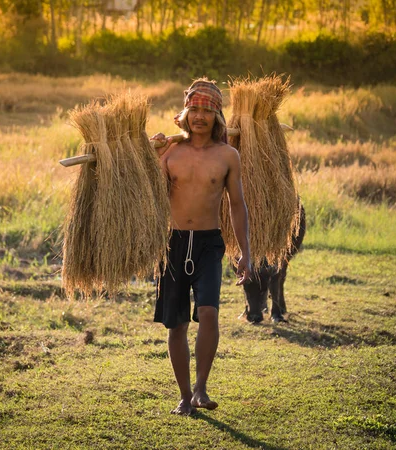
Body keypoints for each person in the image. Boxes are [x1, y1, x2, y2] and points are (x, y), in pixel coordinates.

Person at [151, 79, 252, 416]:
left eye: (207, 110)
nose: (200, 116)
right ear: (185, 113)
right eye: (194, 109)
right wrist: (148, 153)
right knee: (176, 324)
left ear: (216, 116)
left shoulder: (228, 155)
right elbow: (145, 192)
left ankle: (200, 388)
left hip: (209, 243)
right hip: (174, 243)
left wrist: (245, 252)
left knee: (208, 313)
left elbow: (237, 205)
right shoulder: (169, 152)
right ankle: (183, 395)